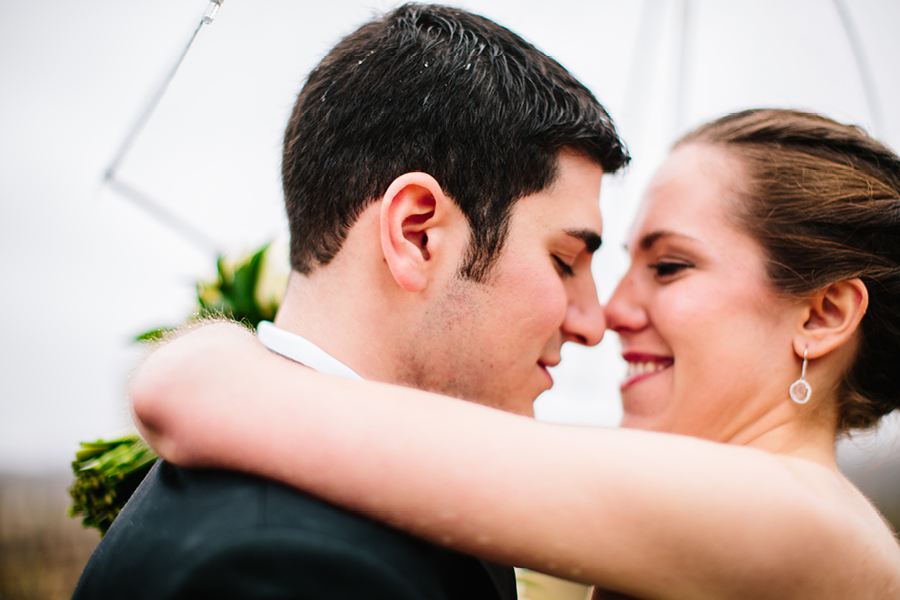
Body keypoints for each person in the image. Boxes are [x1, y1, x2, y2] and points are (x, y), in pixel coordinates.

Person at [131, 108, 900, 599]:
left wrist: (202, 351)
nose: (609, 315)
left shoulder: (799, 527)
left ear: (826, 313)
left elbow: (191, 392)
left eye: (668, 266)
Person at [72, 3, 629, 599]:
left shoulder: (397, 500)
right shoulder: (284, 571)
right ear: (416, 234)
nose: (593, 324)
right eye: (564, 261)